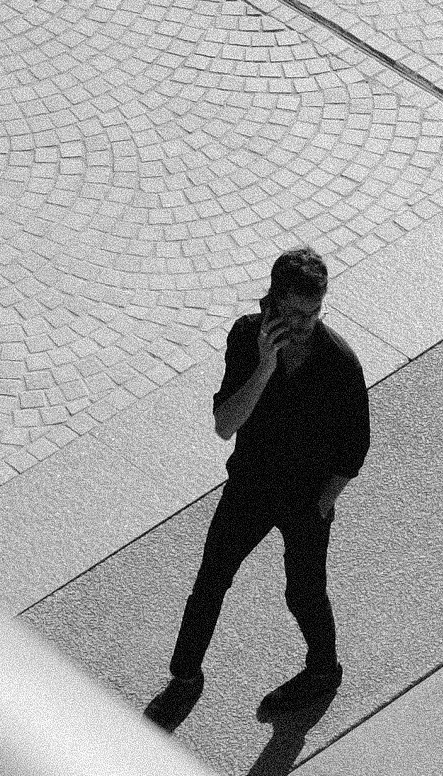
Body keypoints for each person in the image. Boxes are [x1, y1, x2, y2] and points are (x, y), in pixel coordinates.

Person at [146, 247, 369, 730]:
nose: (304, 323)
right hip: (249, 485)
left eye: (313, 313)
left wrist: (325, 501)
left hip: (306, 498)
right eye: (293, 313)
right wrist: (265, 367)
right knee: (210, 583)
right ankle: (184, 677)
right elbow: (226, 425)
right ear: (271, 302)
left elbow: (355, 447)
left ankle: (323, 669)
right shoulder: (247, 338)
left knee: (304, 591)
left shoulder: (340, 363)